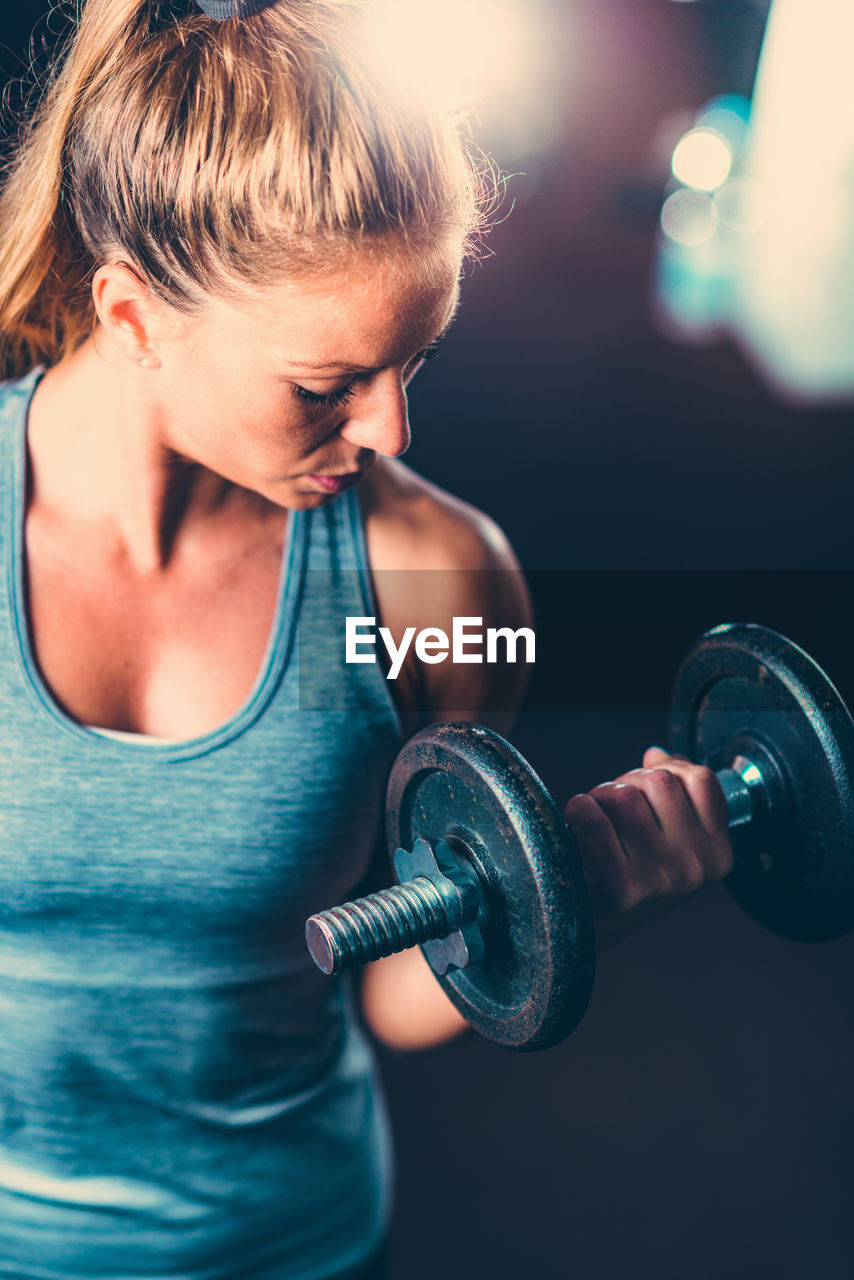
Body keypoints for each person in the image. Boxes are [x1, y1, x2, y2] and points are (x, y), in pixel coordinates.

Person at [0, 1, 734, 1276]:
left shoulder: (447, 575)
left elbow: (405, 984)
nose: (391, 430)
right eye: (323, 384)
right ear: (133, 318)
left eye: (415, 359)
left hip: (296, 1238)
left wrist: (573, 899)